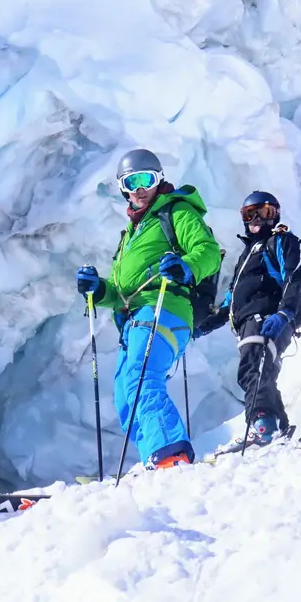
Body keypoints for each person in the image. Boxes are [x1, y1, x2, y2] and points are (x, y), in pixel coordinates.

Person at [75, 149, 222, 469]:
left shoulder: (177, 211)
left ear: (159, 180)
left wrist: (186, 267)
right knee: (126, 398)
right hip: (135, 318)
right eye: (132, 181)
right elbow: (121, 292)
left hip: (166, 307)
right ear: (123, 187)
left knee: (142, 378)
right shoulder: (131, 233)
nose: (140, 188)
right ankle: (155, 460)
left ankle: (171, 453)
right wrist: (99, 290)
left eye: (146, 179)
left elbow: (208, 251)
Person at [213, 191, 301, 449]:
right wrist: (202, 326)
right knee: (261, 369)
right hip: (250, 319)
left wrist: (285, 312)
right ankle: (277, 428)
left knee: (254, 367)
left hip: (270, 314)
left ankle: (261, 427)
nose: (258, 218)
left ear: (276, 215)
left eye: (265, 212)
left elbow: (294, 277)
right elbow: (230, 300)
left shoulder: (282, 242)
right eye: (251, 214)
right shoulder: (249, 254)